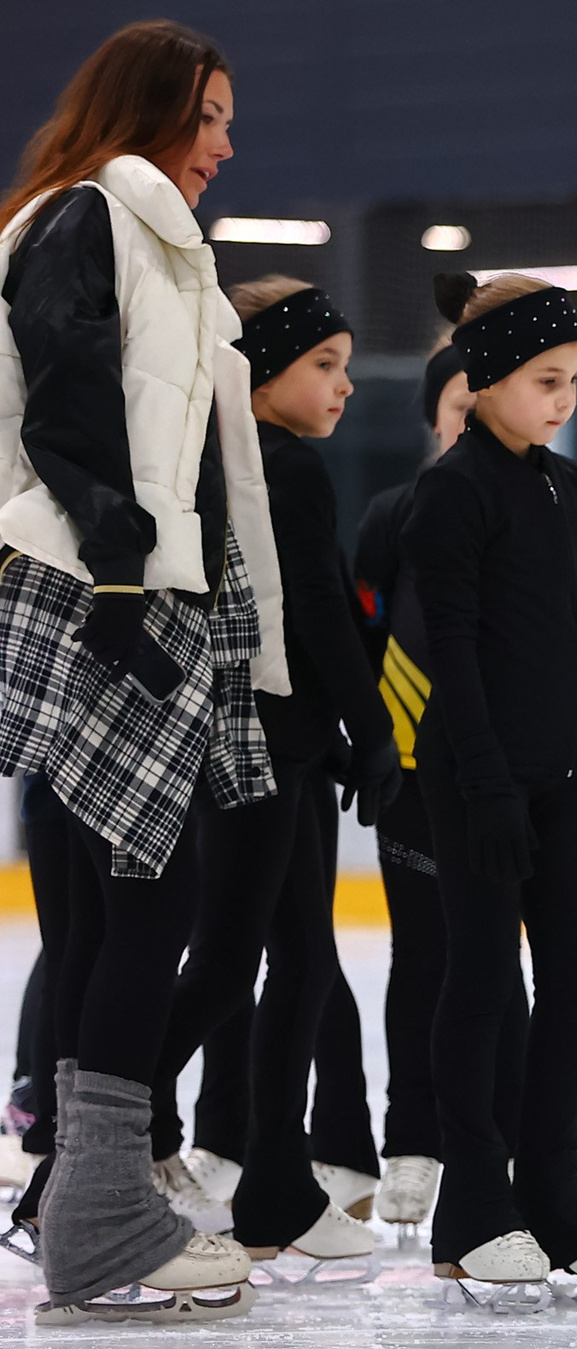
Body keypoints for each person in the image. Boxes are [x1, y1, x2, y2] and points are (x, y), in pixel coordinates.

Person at [0, 22, 284, 1322]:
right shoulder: (90, 218)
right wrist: (119, 568)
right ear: (154, 108)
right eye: (211, 114)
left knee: (129, 902)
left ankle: (89, 1193)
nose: (227, 140)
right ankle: (103, 1203)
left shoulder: (155, 237)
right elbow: (65, 402)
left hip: (153, 588)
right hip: (102, 585)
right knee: (141, 903)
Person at [394, 270, 577, 1306]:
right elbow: (450, 652)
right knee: (477, 980)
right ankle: (474, 1201)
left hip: (557, 782)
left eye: (576, 382)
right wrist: (484, 785)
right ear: (490, 376)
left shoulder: (566, 487)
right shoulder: (450, 494)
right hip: (473, 787)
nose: (563, 400)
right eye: (547, 380)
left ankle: (553, 1189)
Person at [132, 275, 396, 1282]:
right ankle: (118, 1122)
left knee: (292, 957)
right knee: (246, 953)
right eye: (323, 365)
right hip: (262, 743)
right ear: (262, 371)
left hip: (270, 736)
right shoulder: (281, 469)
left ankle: (276, 1184)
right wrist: (370, 731)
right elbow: (318, 610)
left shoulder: (245, 462)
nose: (344, 387)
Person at [352, 336, 528, 1236]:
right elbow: (365, 633)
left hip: (504, 776)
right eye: (461, 405)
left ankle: (504, 1144)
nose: (474, 420)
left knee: (503, 965)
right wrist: (373, 740)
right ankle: (411, 1143)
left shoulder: (534, 509)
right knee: (424, 955)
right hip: (416, 778)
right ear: (435, 416)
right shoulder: (392, 515)